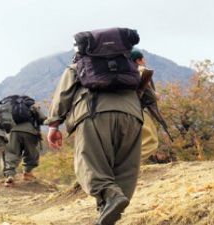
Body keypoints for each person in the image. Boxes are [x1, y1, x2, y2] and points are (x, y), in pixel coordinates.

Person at [46, 28, 143, 225]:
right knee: (125, 168)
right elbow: (147, 95)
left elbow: (62, 96)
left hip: (94, 114)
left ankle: (110, 197)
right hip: (132, 117)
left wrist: (54, 125)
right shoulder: (129, 65)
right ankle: (108, 212)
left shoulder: (78, 65)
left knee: (89, 164)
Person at [3, 96, 46, 186]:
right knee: (31, 153)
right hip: (29, 131)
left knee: (11, 153)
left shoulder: (11, 105)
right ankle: (27, 173)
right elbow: (42, 118)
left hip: (12, 132)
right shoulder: (30, 104)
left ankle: (10, 175)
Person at [130, 50, 160, 163]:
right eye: (143, 59)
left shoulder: (122, 73)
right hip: (134, 109)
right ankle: (128, 167)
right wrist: (155, 95)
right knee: (151, 140)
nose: (145, 61)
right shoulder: (140, 70)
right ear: (138, 60)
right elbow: (150, 95)